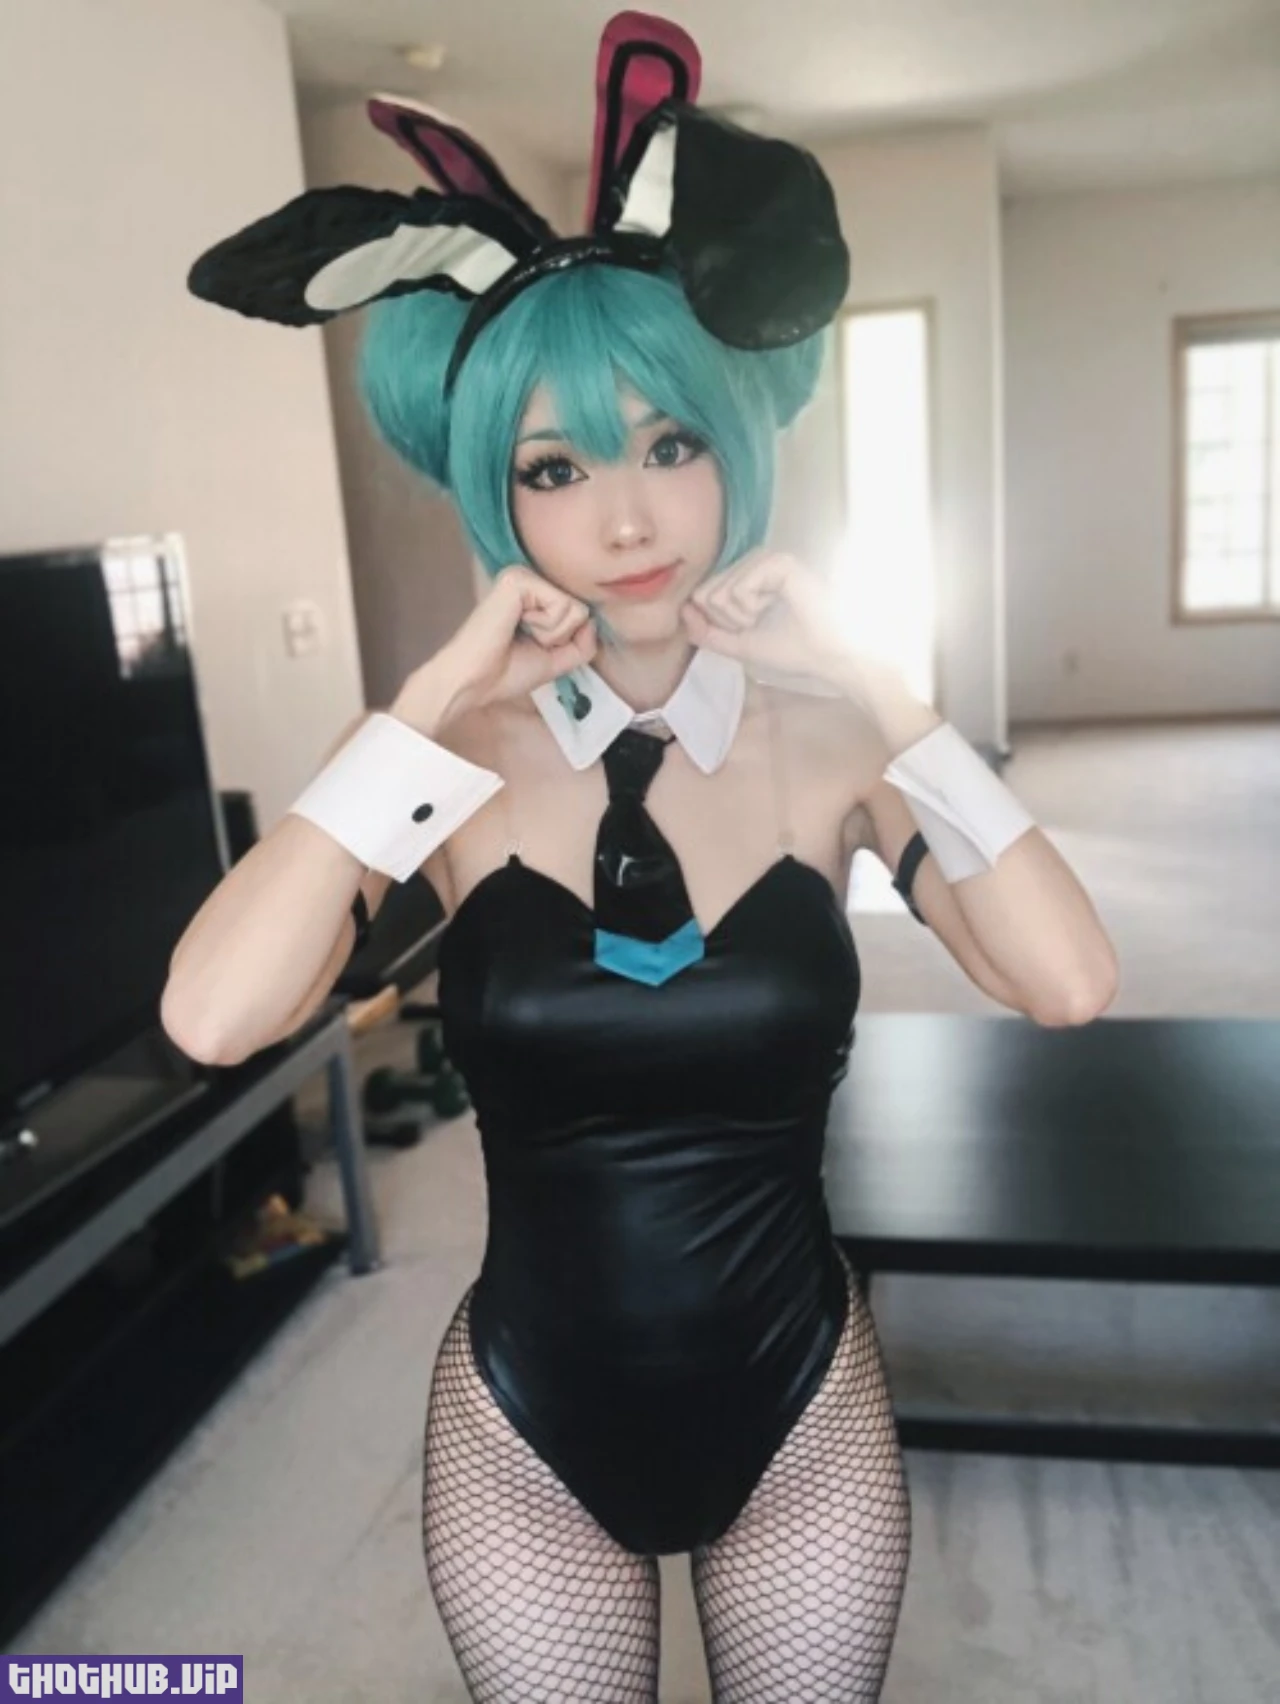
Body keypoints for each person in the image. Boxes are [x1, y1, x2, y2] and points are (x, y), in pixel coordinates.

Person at [166, 12, 1118, 1700]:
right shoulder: (441, 769)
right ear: (502, 496)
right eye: (558, 466)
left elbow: (1068, 978)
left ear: (736, 439)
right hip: (529, 1434)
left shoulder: (844, 745)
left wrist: (885, 683)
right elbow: (213, 1018)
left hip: (803, 1411)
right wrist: (432, 696)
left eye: (671, 442)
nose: (628, 518)